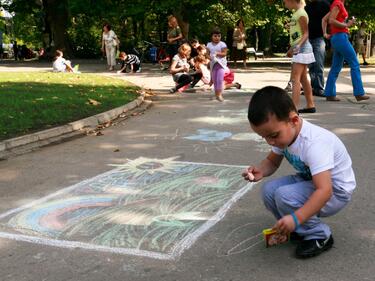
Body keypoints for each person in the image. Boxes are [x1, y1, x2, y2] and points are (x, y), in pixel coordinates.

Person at [244, 86, 356, 258]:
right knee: (268, 191)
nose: (270, 142)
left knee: (285, 195)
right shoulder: (285, 137)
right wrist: (260, 171)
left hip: (336, 191)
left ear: (294, 120)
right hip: (312, 182)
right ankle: (301, 228)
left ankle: (320, 235)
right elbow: (271, 162)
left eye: (273, 135)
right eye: (264, 137)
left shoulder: (315, 144)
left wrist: (297, 217)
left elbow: (325, 190)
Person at [322, 0, 370, 102]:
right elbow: (331, 20)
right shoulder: (338, 3)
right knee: (355, 63)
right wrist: (347, 25)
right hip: (340, 38)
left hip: (338, 38)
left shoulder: (338, 3)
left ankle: (329, 94)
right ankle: (359, 93)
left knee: (336, 67)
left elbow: (324, 19)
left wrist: (325, 33)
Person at [284, 0, 316, 113]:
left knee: (295, 79)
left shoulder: (301, 13)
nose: (284, 2)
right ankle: (310, 104)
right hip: (299, 48)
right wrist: (291, 48)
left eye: (285, 1)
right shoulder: (296, 13)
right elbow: (296, 34)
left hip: (302, 49)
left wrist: (297, 47)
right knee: (303, 78)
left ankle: (294, 108)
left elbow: (306, 33)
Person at [305, 0, 330, 97]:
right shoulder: (308, 7)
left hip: (319, 38)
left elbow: (330, 19)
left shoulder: (325, 4)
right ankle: (313, 88)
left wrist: (327, 35)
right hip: (309, 38)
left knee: (318, 64)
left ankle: (319, 88)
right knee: (311, 65)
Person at [206, 28, 229, 102]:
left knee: (219, 79)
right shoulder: (209, 44)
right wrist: (210, 58)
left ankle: (219, 95)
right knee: (215, 80)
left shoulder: (222, 44)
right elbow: (207, 54)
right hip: (213, 65)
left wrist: (217, 53)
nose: (217, 38)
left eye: (219, 36)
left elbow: (224, 53)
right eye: (215, 36)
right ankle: (216, 95)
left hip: (221, 65)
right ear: (212, 36)